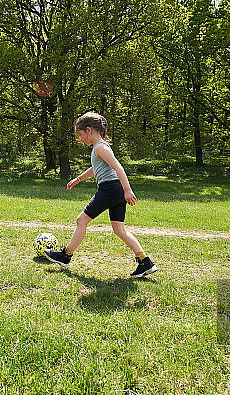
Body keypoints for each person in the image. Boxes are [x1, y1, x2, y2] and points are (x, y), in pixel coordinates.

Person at [45, 112, 157, 278]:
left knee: (81, 220)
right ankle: (144, 261)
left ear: (89, 130)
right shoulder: (100, 148)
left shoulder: (101, 147)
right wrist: (79, 179)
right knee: (119, 229)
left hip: (110, 189)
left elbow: (118, 167)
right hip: (115, 190)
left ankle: (65, 256)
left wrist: (128, 190)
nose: (81, 139)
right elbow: (95, 168)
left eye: (81, 135)